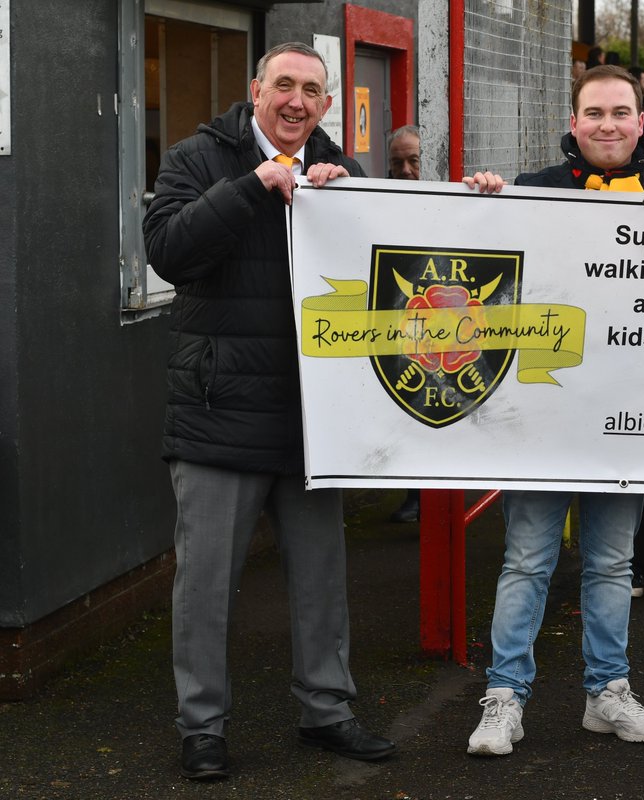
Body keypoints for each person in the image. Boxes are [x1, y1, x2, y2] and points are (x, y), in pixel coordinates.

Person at [461, 64, 644, 758]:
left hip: (626, 417)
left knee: (611, 564)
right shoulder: (530, 191)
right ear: (573, 123)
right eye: (594, 112)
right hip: (542, 414)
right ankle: (504, 698)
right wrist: (478, 205)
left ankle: (608, 693)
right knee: (527, 561)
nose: (607, 124)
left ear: (640, 121)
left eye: (620, 112)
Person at [143, 42, 396, 780]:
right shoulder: (198, 158)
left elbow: (382, 272)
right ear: (255, 90)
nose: (296, 101)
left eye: (311, 91)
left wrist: (348, 203)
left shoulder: (341, 171)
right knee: (204, 586)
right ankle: (202, 728)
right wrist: (253, 187)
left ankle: (328, 711)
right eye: (283, 85)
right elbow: (168, 251)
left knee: (322, 579)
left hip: (313, 417)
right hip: (219, 411)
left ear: (326, 104)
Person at [386, 125, 423, 523]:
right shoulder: (383, 201)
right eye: (398, 163)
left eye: (414, 161)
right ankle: (416, 493)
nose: (407, 170)